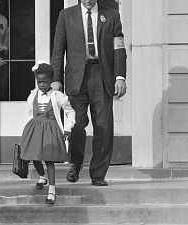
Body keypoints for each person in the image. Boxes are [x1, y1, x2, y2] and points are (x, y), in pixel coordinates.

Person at [51, 0, 127, 186]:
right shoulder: (66, 16)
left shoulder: (112, 15)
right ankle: (75, 164)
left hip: (102, 76)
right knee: (76, 124)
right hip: (76, 78)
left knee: (103, 126)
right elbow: (58, 49)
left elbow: (119, 48)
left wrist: (120, 77)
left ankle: (98, 174)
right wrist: (55, 79)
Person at [20, 63, 75, 204]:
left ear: (51, 81)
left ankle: (52, 189)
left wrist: (68, 127)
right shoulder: (33, 96)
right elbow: (30, 113)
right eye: (39, 82)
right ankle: (42, 176)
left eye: (45, 82)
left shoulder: (58, 96)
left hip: (51, 130)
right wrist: (26, 131)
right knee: (34, 156)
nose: (42, 85)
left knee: (49, 159)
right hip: (35, 128)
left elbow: (70, 112)